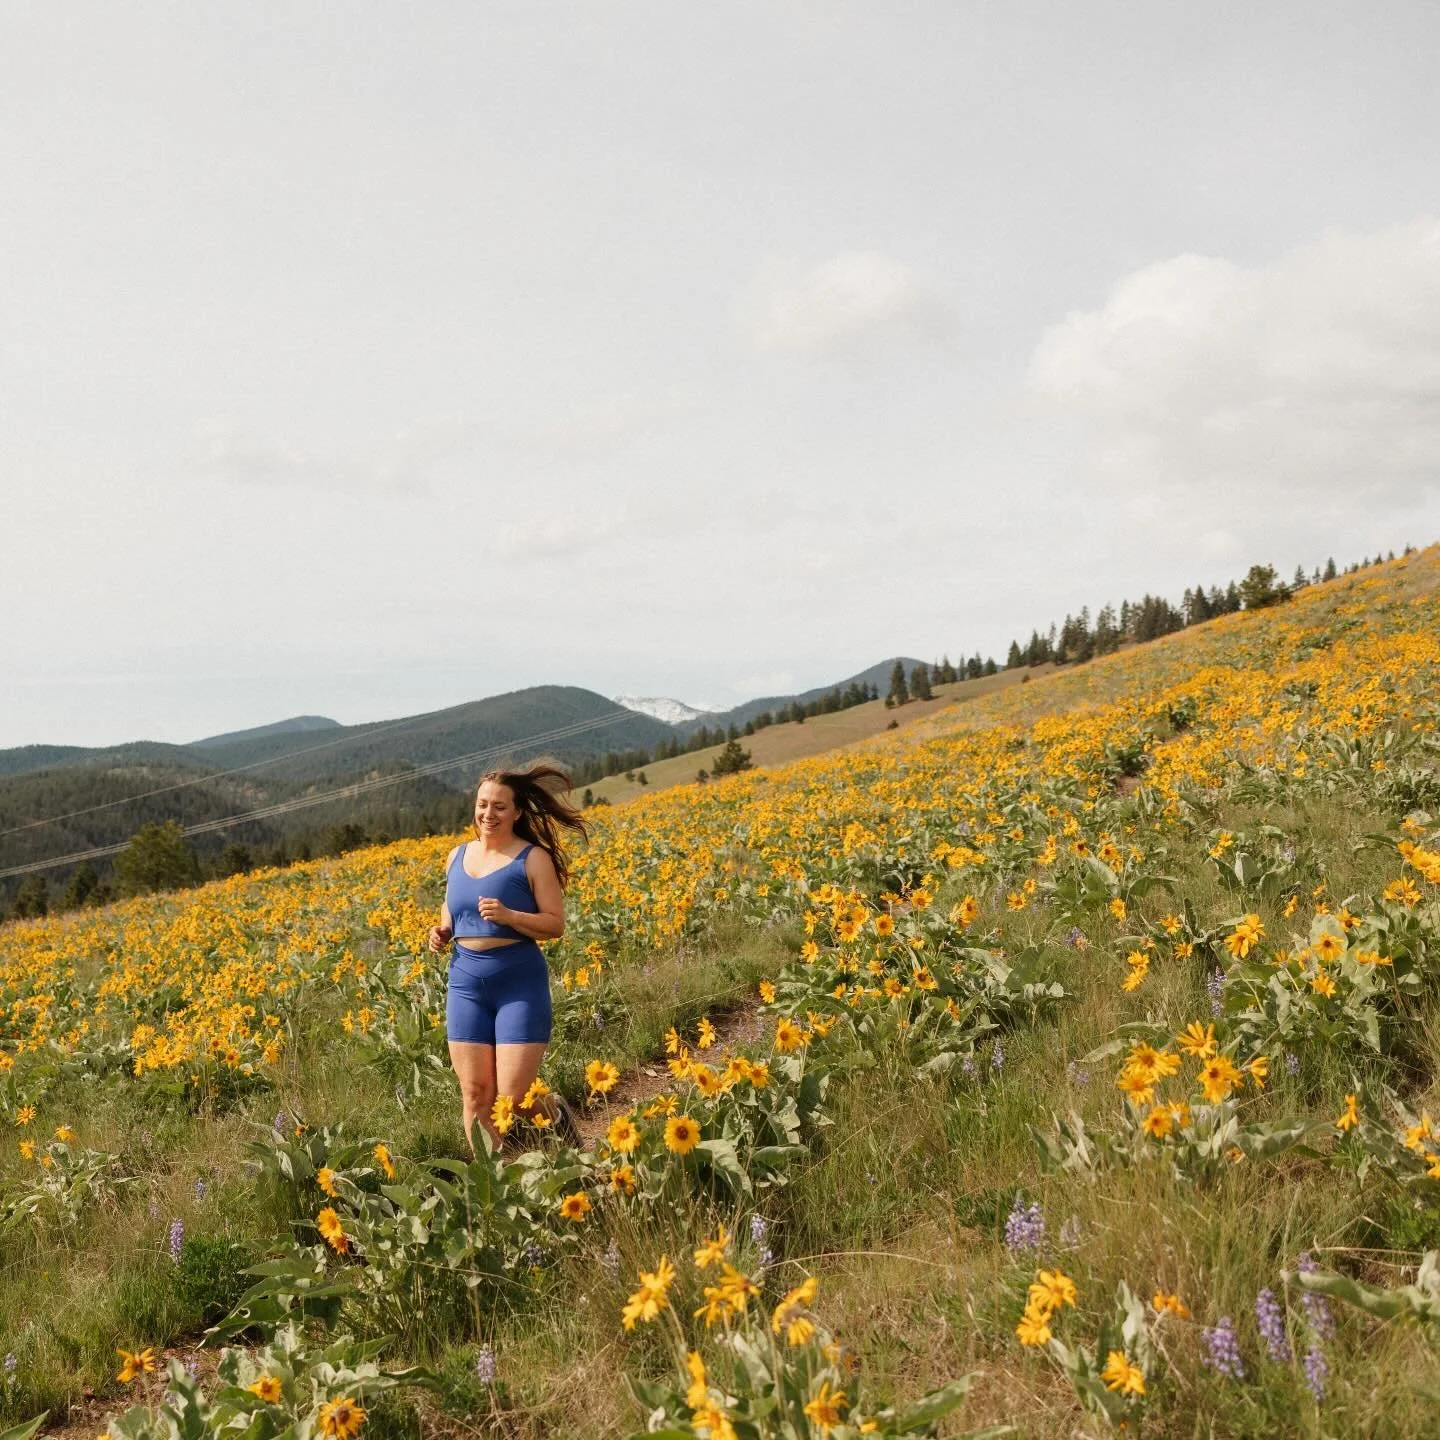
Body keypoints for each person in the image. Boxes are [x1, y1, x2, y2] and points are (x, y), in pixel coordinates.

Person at [427, 761, 587, 1152]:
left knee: (514, 1098)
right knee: (475, 1095)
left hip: (518, 982)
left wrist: (510, 916)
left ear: (516, 812)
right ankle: (493, 1182)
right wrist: (442, 929)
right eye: (483, 804)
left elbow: (554, 924)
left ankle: (557, 1117)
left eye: (500, 806)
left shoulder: (532, 859)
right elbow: (452, 906)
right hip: (465, 983)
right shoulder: (456, 856)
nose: (489, 813)